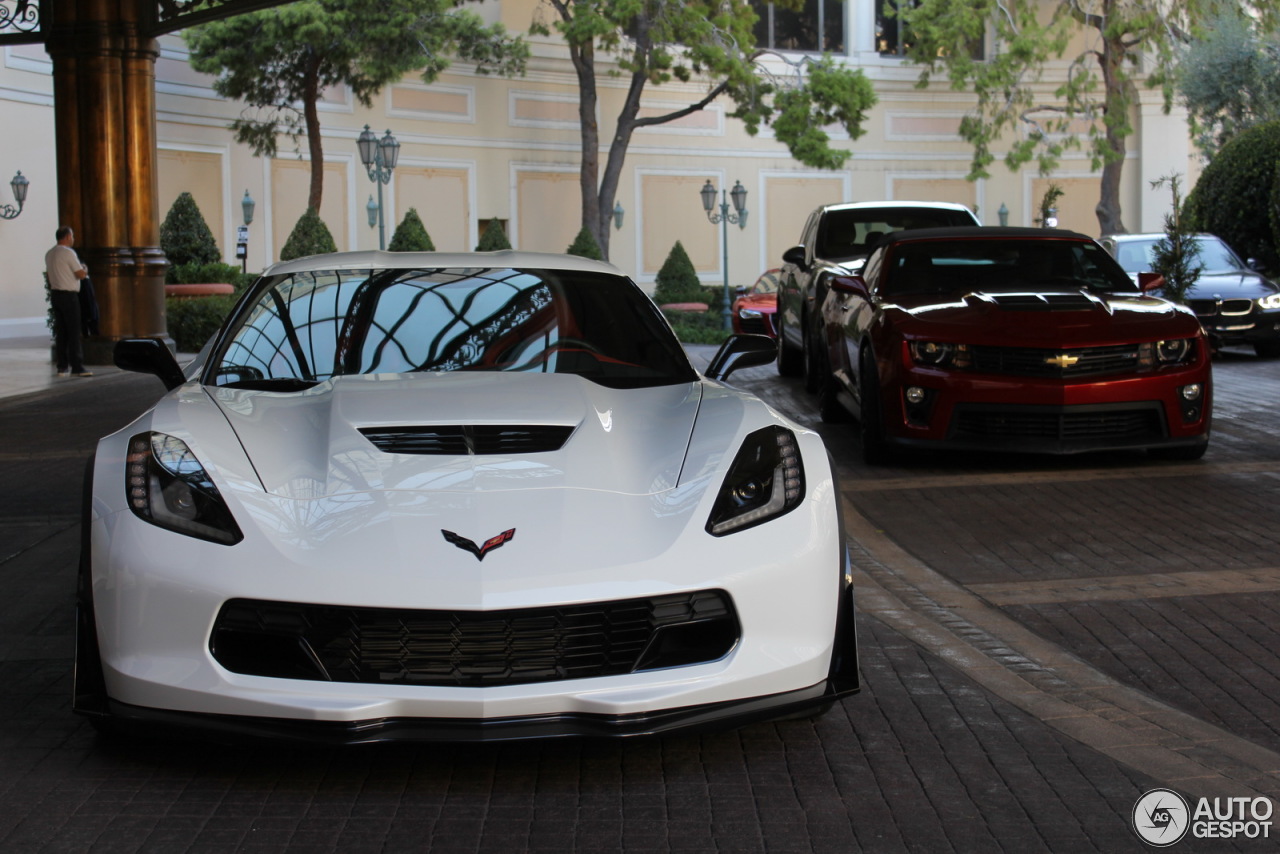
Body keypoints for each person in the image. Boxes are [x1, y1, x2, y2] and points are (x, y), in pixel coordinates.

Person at [44, 226, 92, 378]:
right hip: (69, 296)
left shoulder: (50, 253)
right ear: (67, 237)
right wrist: (85, 268)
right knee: (73, 331)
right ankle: (77, 366)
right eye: (72, 236)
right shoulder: (69, 253)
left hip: (55, 295)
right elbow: (80, 274)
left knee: (61, 332)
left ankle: (62, 367)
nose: (73, 239)